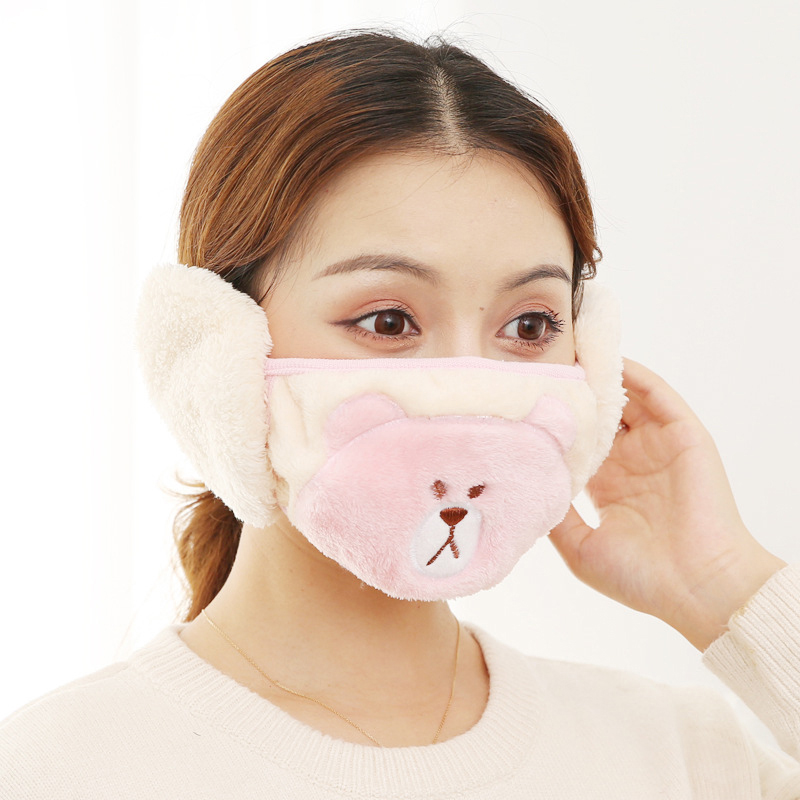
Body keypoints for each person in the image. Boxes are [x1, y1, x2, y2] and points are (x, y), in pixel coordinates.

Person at [1, 29, 798, 799]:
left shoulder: (689, 758)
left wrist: (722, 583)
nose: (470, 388)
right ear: (217, 350)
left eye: (529, 326)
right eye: (389, 321)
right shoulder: (55, 772)